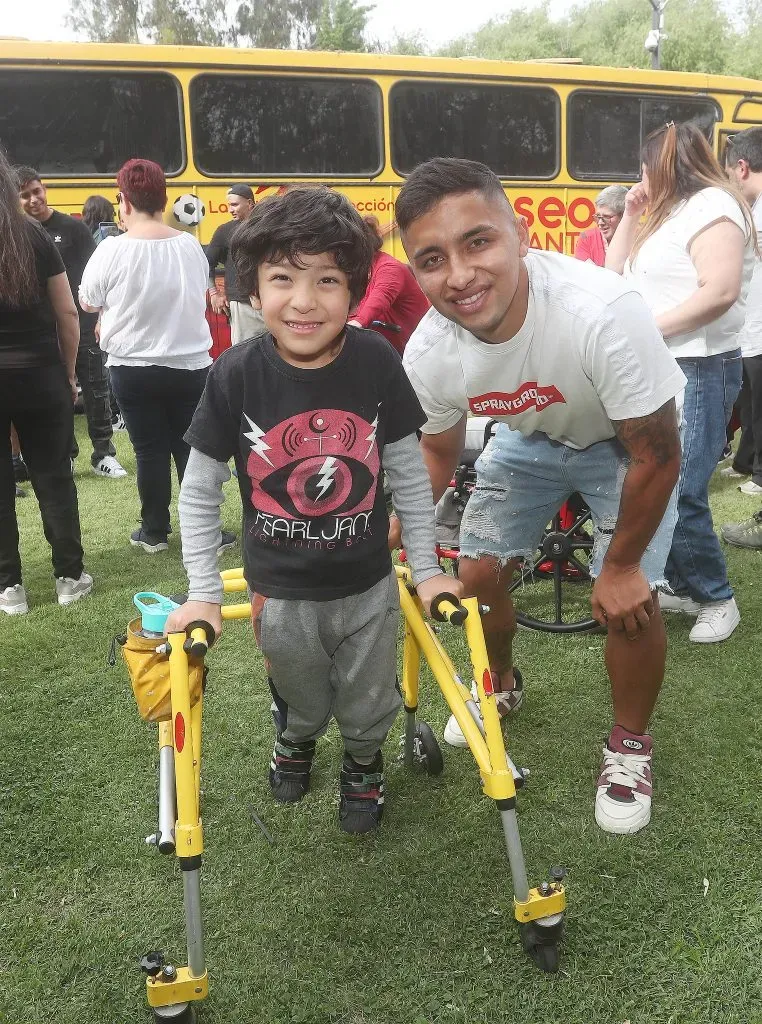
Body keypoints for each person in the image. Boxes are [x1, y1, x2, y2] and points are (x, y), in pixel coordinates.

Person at [397, 157, 685, 835]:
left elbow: (658, 452)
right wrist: (394, 527)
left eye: (478, 242)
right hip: (529, 441)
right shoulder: (430, 351)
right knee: (477, 575)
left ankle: (629, 746)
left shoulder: (602, 312)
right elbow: (437, 452)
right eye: (432, 258)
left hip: (628, 445)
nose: (460, 275)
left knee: (631, 602)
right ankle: (499, 686)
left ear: (520, 234)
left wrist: (617, 566)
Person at [164, 186, 462, 834]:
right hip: (282, 590)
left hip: (367, 584)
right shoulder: (235, 373)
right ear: (252, 288)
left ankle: (362, 764)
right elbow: (199, 487)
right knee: (298, 693)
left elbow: (409, 471)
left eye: (327, 280)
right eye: (282, 279)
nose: (304, 300)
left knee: (367, 695)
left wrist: (430, 566)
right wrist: (203, 592)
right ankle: (295, 740)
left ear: (354, 290)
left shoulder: (376, 361)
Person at [606, 122, 755, 644]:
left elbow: (719, 291)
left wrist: (645, 329)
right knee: (656, 482)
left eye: (641, 168)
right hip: (661, 366)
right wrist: (628, 214)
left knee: (681, 487)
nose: (638, 179)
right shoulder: (665, 213)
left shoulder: (714, 205)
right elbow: (612, 274)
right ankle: (686, 585)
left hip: (698, 366)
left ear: (660, 164)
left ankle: (718, 598)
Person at [78, 158, 235, 555]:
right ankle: (205, 532)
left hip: (133, 367)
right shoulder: (189, 247)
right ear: (164, 200)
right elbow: (197, 291)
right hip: (190, 364)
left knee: (149, 449)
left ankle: (154, 531)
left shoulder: (111, 249)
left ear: (123, 201)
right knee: (190, 447)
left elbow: (88, 300)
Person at [0, 148, 93, 614]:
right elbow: (66, 313)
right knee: (54, 476)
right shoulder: (35, 238)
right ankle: (69, 576)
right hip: (41, 375)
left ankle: (9, 586)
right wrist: (69, 372)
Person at [15, 167, 126, 479]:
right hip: (42, 330)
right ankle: (68, 454)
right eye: (25, 195)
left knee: (96, 389)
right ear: (16, 199)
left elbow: (98, 277)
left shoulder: (73, 229)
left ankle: (103, 453)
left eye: (37, 191)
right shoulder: (19, 234)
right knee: (59, 394)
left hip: (83, 323)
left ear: (44, 188)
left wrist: (100, 316)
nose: (33, 199)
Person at [723, 128, 762, 496]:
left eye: (732, 173)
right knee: (749, 403)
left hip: (760, 328)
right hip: (751, 327)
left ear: (743, 166)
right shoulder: (753, 207)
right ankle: (747, 461)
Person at [346, 215, 430, 354]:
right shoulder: (362, 269)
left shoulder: (389, 268)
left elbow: (380, 298)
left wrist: (356, 324)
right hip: (389, 350)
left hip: (413, 355)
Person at [206, 183, 265, 344]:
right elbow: (205, 264)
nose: (230, 210)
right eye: (229, 205)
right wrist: (214, 294)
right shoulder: (224, 231)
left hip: (272, 302)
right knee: (245, 357)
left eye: (234, 205)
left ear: (250, 203)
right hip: (241, 304)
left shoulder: (268, 228)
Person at [574, 185, 628, 267]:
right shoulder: (586, 238)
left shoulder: (639, 240)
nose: (600, 222)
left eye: (607, 217)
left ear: (623, 216)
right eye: (598, 216)